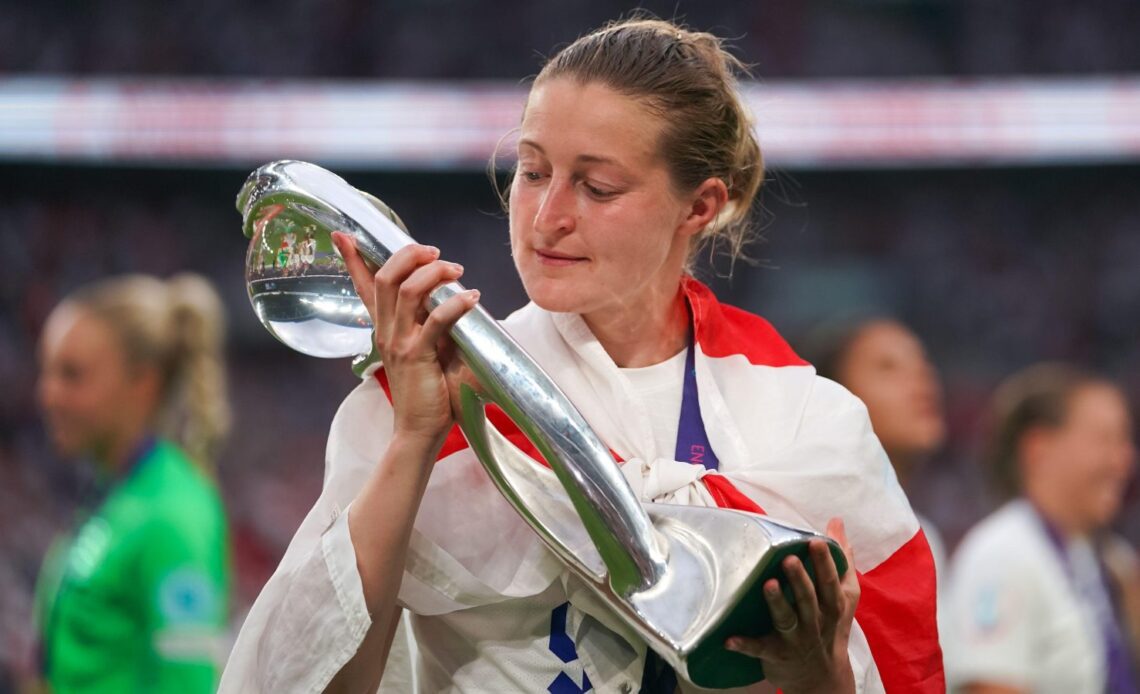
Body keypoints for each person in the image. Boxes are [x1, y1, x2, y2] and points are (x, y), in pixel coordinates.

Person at [220, 17, 942, 693]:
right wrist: (415, 438)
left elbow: (898, 662)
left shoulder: (806, 422)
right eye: (533, 172)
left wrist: (819, 677)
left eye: (596, 187)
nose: (547, 216)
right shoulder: (429, 389)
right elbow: (305, 675)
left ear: (699, 206)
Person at [34, 273, 232, 693]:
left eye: (72, 375)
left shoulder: (173, 513)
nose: (48, 394)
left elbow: (189, 684)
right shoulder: (114, 493)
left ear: (143, 383)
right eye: (47, 371)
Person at [944, 363, 1138, 693]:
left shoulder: (1109, 560)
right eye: (1105, 439)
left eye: (1125, 442)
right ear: (1039, 449)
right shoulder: (1003, 555)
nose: (1124, 460)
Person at [806, 317, 948, 572]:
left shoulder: (924, 538)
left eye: (923, 364)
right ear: (836, 394)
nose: (921, 379)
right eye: (888, 367)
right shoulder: (811, 532)